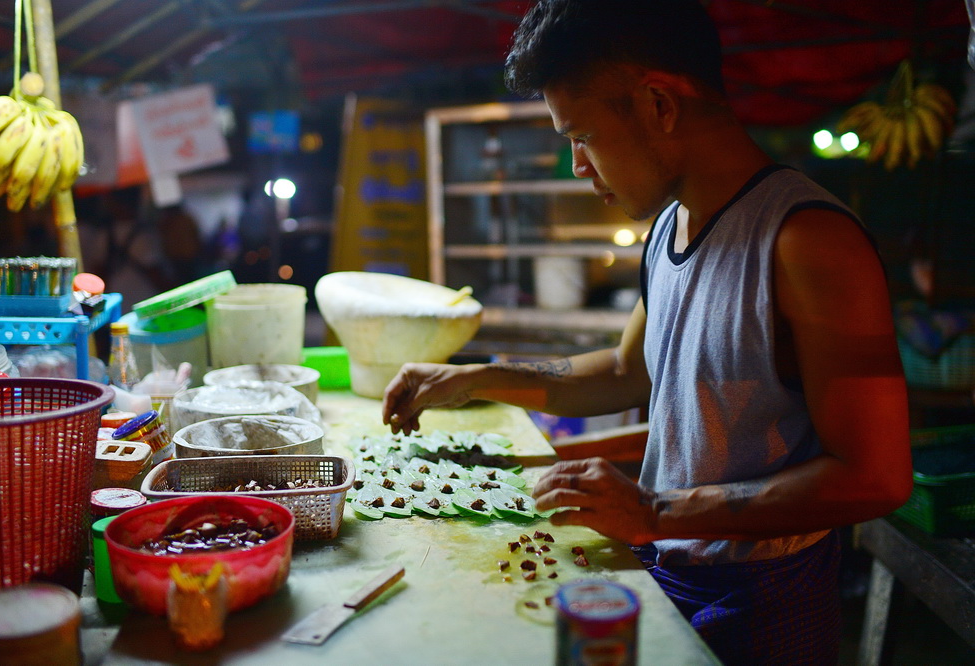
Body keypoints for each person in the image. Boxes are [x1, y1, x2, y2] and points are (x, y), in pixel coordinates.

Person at [382, 1, 913, 663]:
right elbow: (628, 370)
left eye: (581, 135)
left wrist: (655, 512)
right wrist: (475, 377)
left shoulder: (807, 240)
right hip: (666, 563)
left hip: (764, 596)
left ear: (660, 103)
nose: (577, 164)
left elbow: (876, 477)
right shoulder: (671, 226)